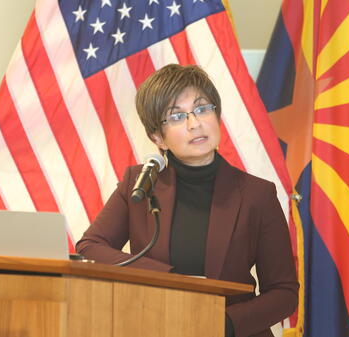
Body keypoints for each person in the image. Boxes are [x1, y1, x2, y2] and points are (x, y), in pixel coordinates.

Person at [76, 64, 298, 337]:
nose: (195, 123)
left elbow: (283, 292)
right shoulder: (141, 184)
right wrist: (167, 278)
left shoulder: (256, 194)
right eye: (177, 116)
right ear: (158, 137)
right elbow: (90, 246)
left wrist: (223, 323)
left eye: (203, 109)